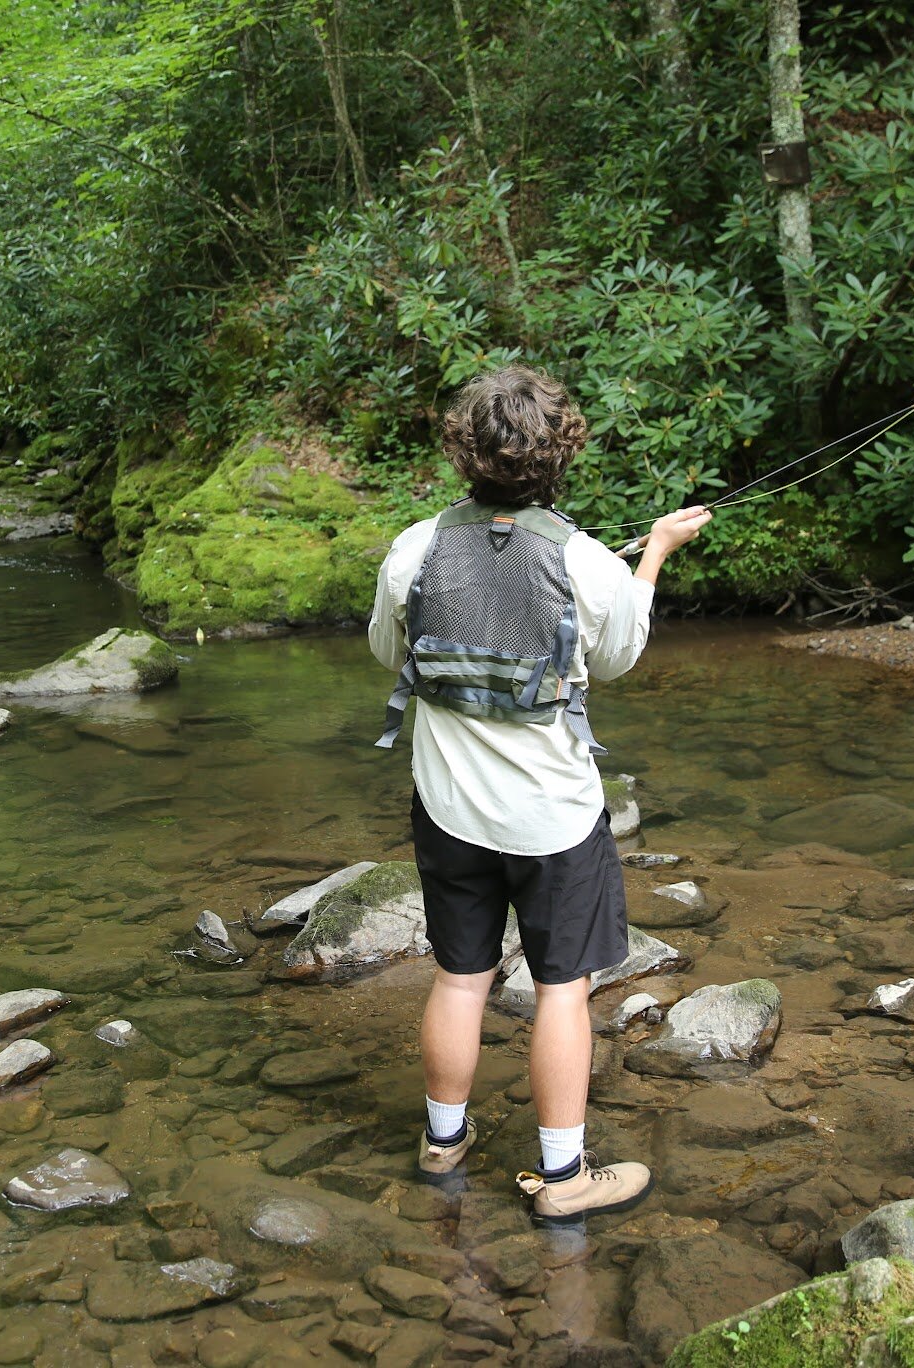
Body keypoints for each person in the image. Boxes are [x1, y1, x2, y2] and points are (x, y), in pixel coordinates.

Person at [367, 364, 711, 1222]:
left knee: (458, 977)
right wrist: (657, 553)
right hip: (555, 820)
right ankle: (563, 1181)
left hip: (448, 811)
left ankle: (444, 1140)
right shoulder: (588, 560)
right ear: (559, 456)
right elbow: (621, 656)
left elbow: (387, 653)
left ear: (464, 455)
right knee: (562, 989)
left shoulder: (413, 549)